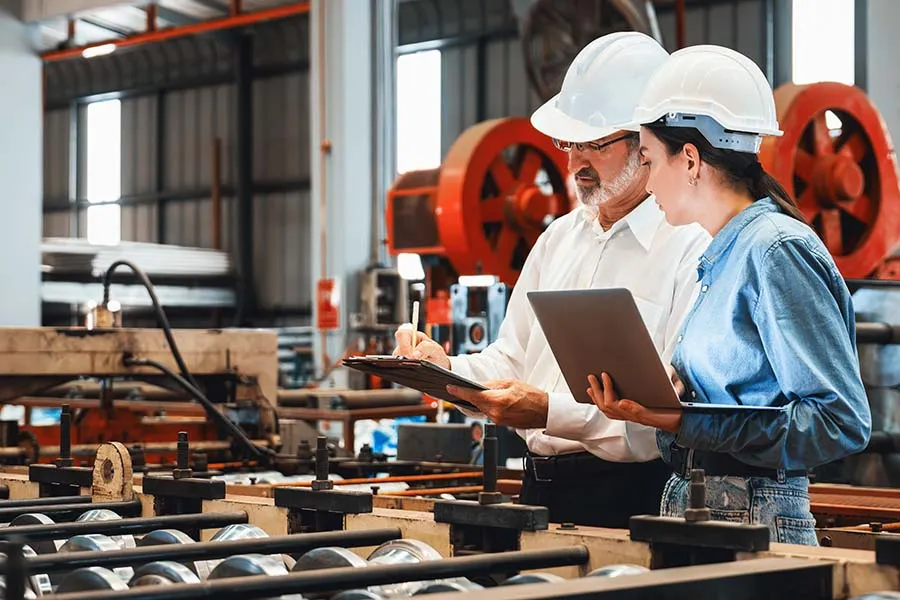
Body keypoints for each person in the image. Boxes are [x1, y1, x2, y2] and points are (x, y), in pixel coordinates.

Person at [394, 32, 710, 528]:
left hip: (634, 497)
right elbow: (513, 358)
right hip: (539, 488)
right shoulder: (558, 239)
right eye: (568, 143)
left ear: (645, 144)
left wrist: (546, 411)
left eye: (593, 145)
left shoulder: (689, 247)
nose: (573, 162)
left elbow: (668, 417)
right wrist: (446, 369)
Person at [586, 44, 871, 544]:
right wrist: (678, 391)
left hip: (754, 515)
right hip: (708, 504)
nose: (647, 182)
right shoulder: (727, 252)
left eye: (650, 160)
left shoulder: (774, 250)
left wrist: (683, 419)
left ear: (690, 159)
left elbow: (837, 420)